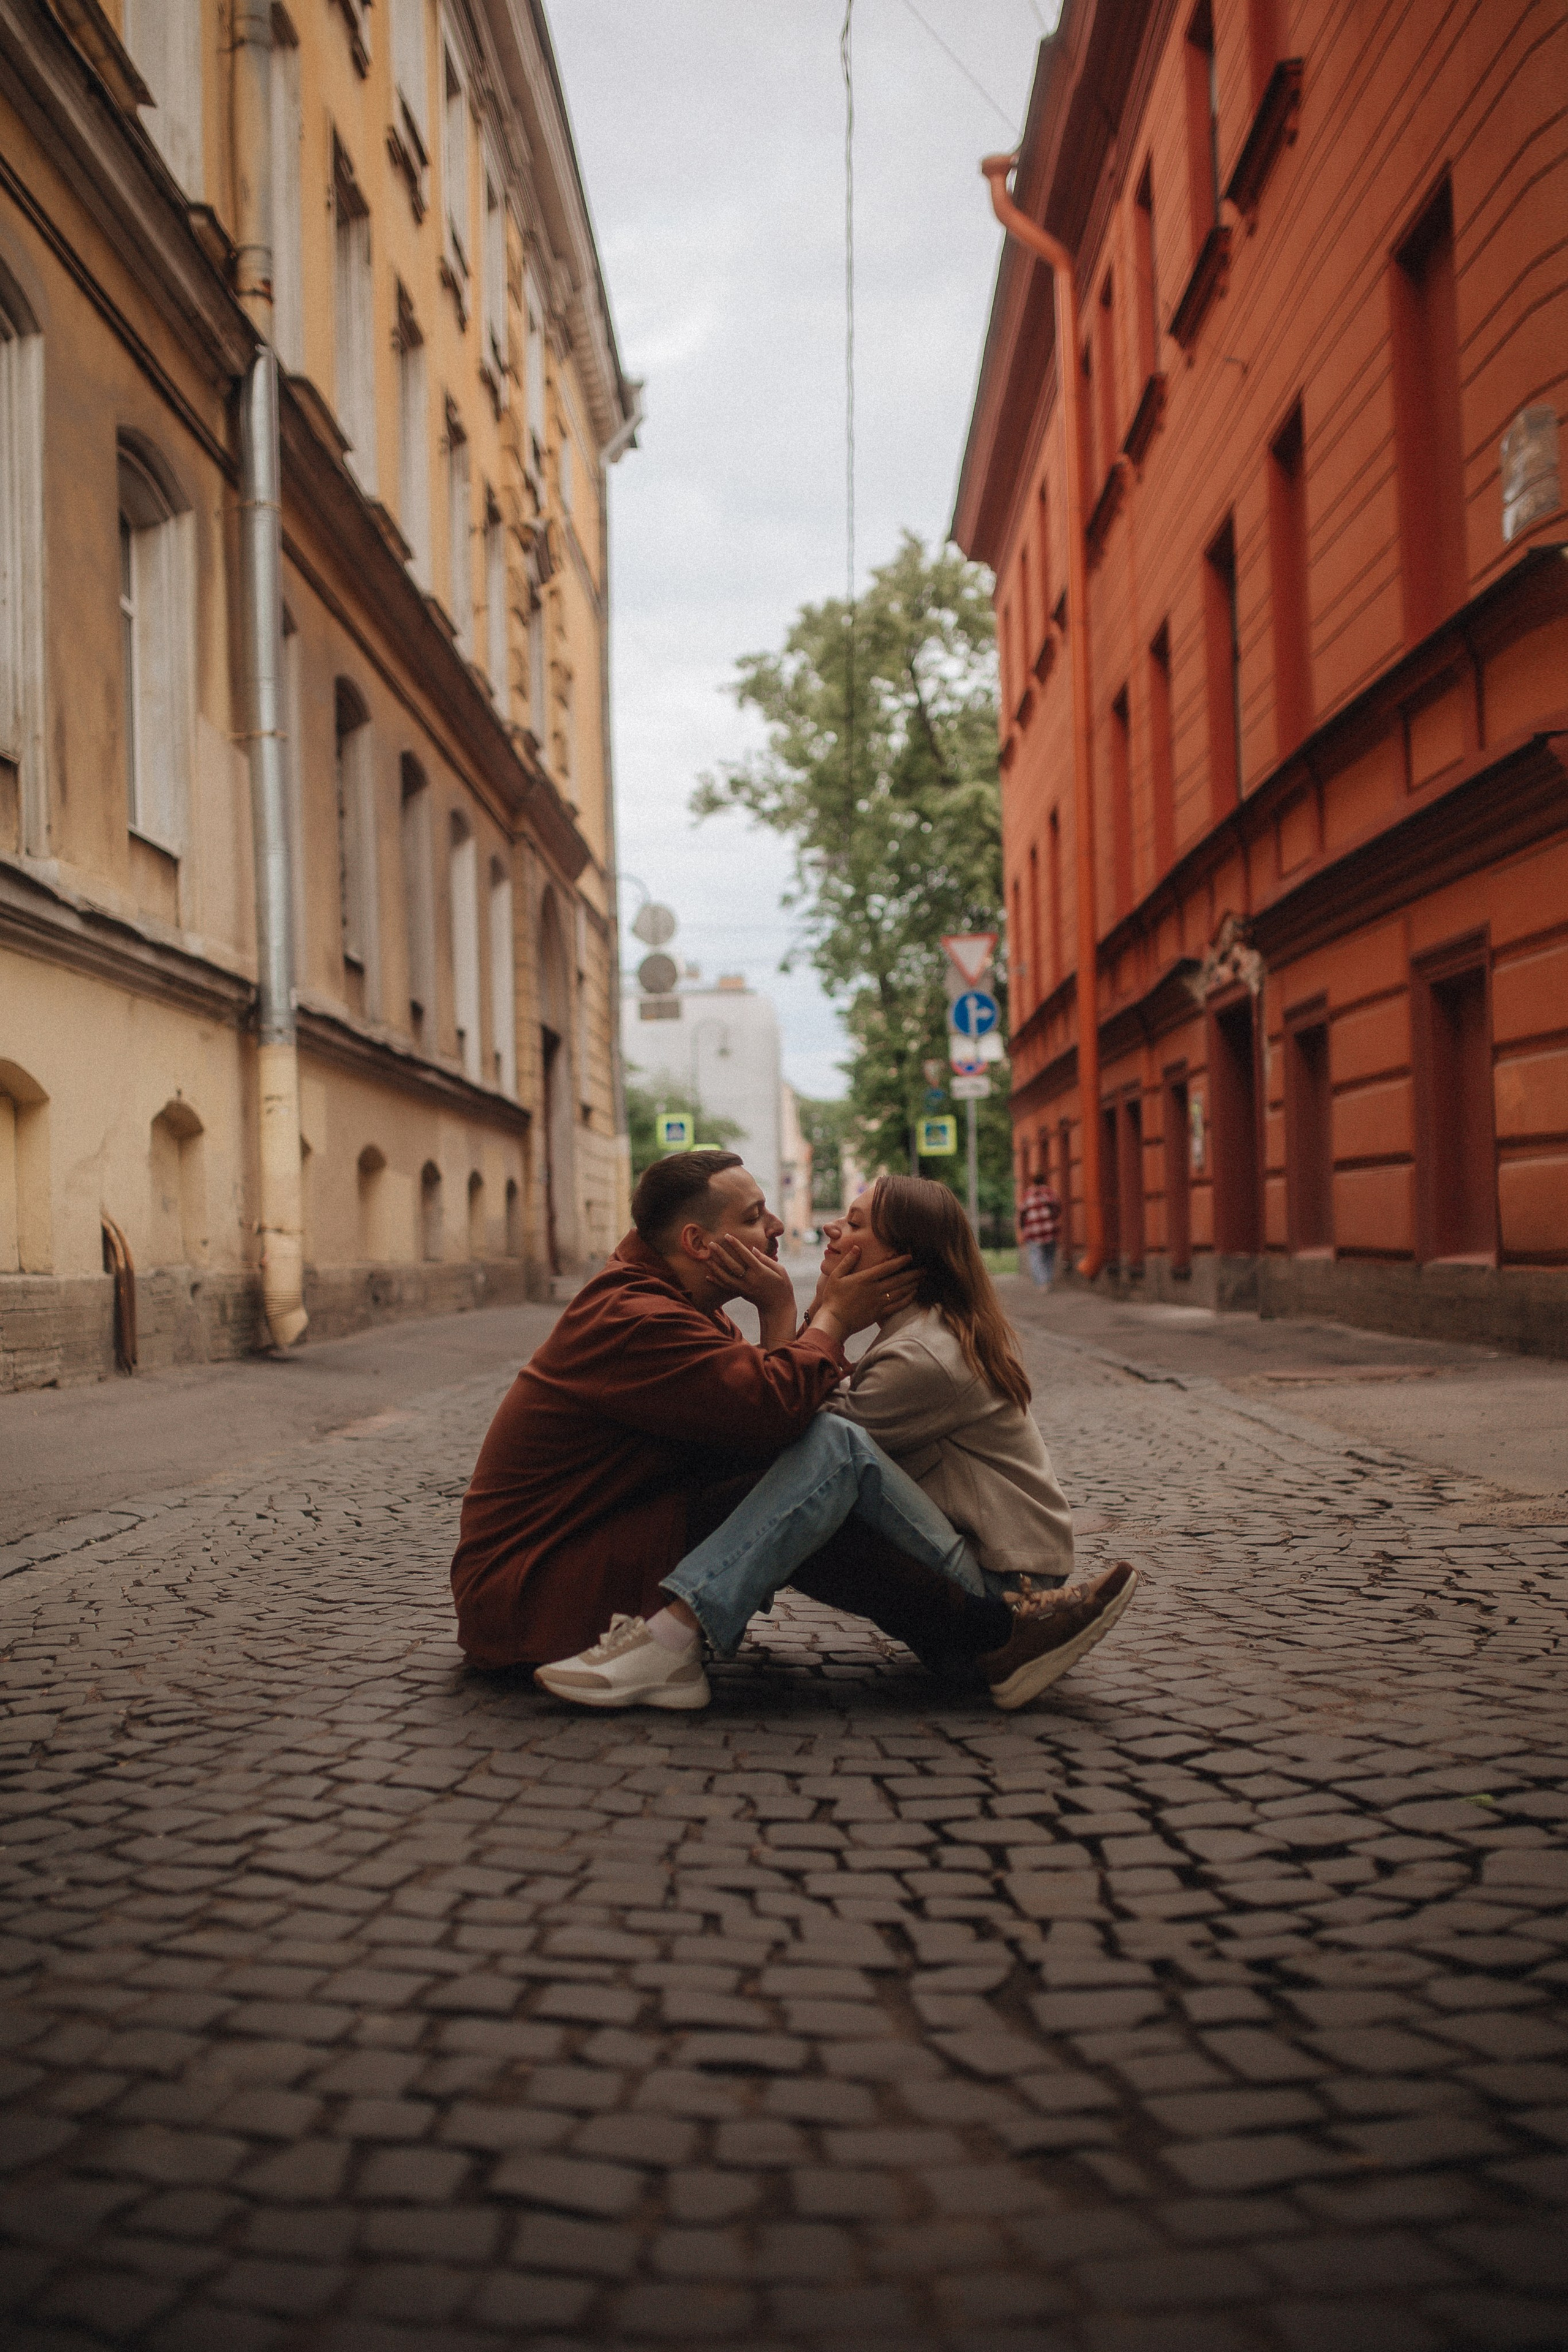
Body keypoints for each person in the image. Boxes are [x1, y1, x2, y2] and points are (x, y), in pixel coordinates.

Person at [456, 1150, 1134, 1711]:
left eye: (855, 1223)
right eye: (755, 1217)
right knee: (813, 1472)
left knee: (810, 1477)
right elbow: (784, 1431)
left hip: (594, 1548)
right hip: (532, 1587)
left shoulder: (683, 1311)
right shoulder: (636, 1318)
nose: (784, 1226)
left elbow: (780, 1433)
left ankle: (980, 1638)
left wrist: (800, 1318)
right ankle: (987, 1639)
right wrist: (816, 1317)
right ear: (699, 1243)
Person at [820, 1175, 1080, 1608]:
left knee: (826, 1457)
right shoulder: (925, 1329)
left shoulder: (924, 1353)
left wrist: (809, 1316)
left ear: (900, 1258)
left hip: (1008, 1581)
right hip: (997, 1559)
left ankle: (686, 1619)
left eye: (854, 1223)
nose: (833, 1229)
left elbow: (811, 1437)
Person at [1017, 1163, 1062, 1287]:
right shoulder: (1050, 1193)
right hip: (1050, 1230)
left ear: (1032, 1180)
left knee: (1036, 1256)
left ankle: (1042, 1282)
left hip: (1033, 1231)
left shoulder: (1028, 1195)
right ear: (1044, 1179)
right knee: (1049, 1256)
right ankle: (1048, 1279)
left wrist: (1022, 1228)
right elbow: (1058, 1208)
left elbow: (1022, 1213)